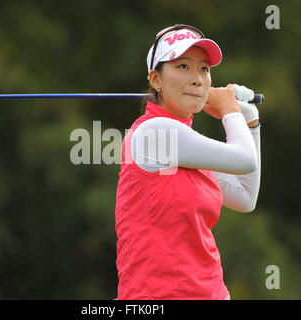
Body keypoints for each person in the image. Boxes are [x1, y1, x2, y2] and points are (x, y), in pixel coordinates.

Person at [114, 24, 261, 300]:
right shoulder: (153, 132)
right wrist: (230, 109)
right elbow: (245, 159)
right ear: (155, 80)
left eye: (204, 69)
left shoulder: (187, 147)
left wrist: (250, 121)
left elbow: (245, 196)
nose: (197, 79)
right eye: (183, 67)